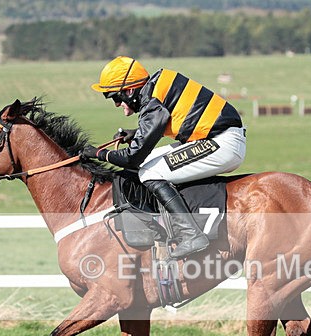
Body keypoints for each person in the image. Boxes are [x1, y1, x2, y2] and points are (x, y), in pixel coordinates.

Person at [81, 56, 246, 259]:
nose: (116, 104)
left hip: (222, 142)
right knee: (147, 165)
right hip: (217, 137)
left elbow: (132, 158)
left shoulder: (152, 102)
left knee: (150, 172)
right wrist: (137, 133)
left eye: (115, 97)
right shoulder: (156, 88)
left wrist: (99, 154)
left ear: (130, 91)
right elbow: (166, 123)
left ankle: (191, 234)